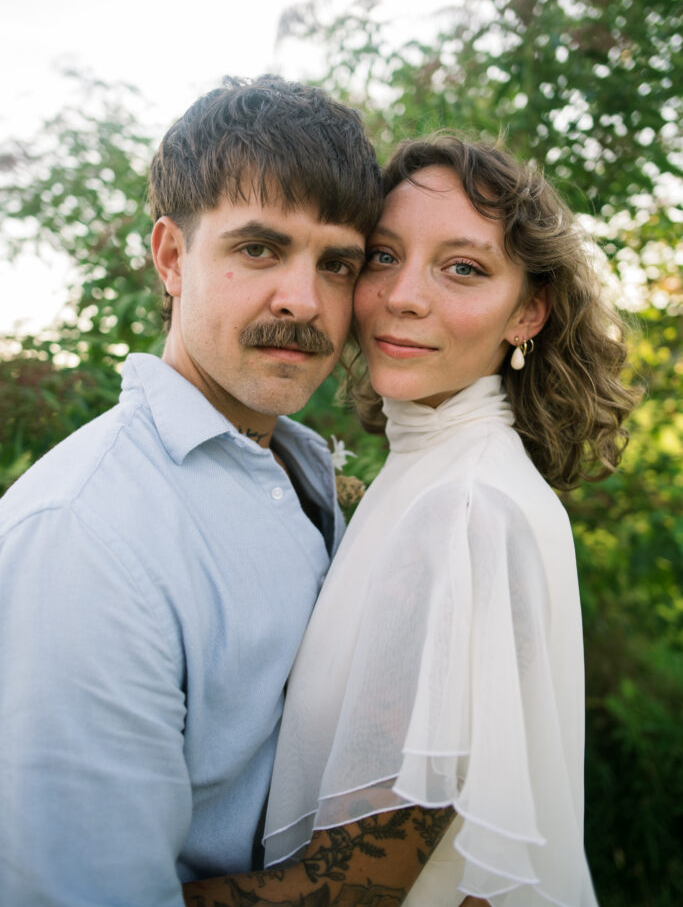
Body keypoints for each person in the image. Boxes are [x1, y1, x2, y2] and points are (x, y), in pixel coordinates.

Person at [182, 134, 637, 906]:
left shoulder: (464, 510)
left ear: (527, 311)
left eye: (462, 268)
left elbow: (353, 889)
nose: (402, 296)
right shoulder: (424, 470)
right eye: (384, 257)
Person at [0, 75, 384, 906]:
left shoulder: (302, 464)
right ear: (171, 257)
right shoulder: (87, 538)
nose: (303, 300)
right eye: (259, 249)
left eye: (337, 263)